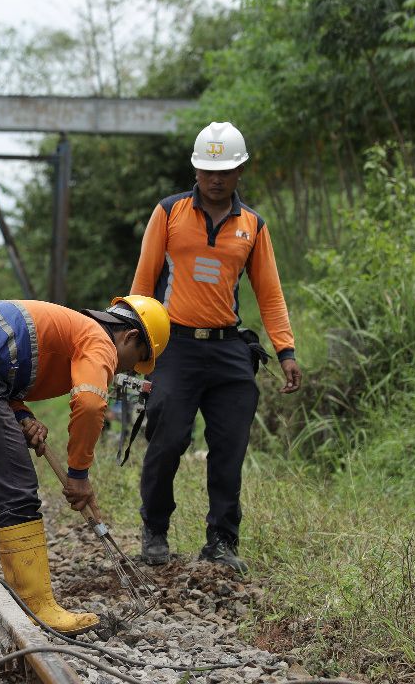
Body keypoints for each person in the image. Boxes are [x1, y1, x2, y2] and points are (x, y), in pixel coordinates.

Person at [0, 296, 169, 634]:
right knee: (15, 489)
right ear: (130, 337)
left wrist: (21, 415)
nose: (128, 370)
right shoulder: (98, 340)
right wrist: (78, 476)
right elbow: (90, 404)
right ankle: (38, 607)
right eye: (137, 361)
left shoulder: (67, 328)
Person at [129, 121, 304, 573]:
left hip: (229, 351)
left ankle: (222, 541)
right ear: (196, 168)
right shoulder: (168, 213)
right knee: (167, 441)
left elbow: (270, 293)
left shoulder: (253, 226)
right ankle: (155, 531)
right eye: (208, 169)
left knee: (229, 450)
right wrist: (136, 347)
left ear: (240, 170)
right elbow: (143, 285)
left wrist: (285, 350)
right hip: (175, 346)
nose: (215, 178)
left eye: (225, 170)